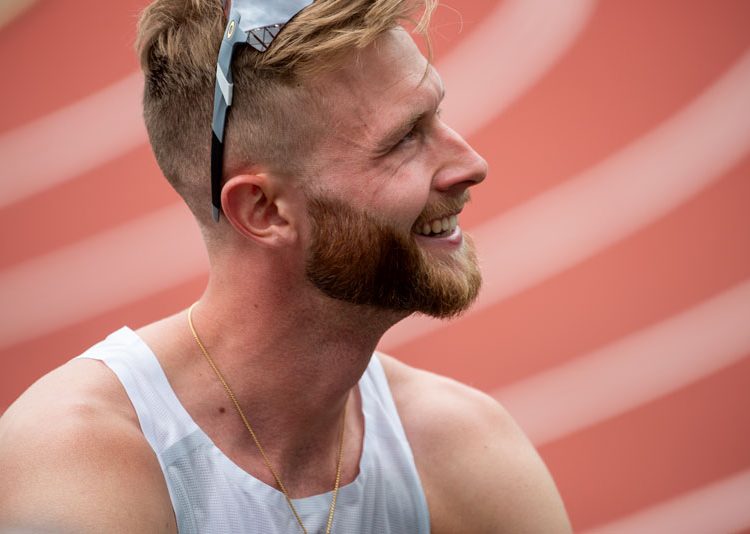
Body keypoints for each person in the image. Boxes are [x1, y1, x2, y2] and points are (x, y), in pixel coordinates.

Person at [0, 0, 572, 532]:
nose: (472, 164)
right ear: (265, 210)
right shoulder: (80, 467)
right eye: (404, 139)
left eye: (436, 115)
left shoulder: (460, 447)